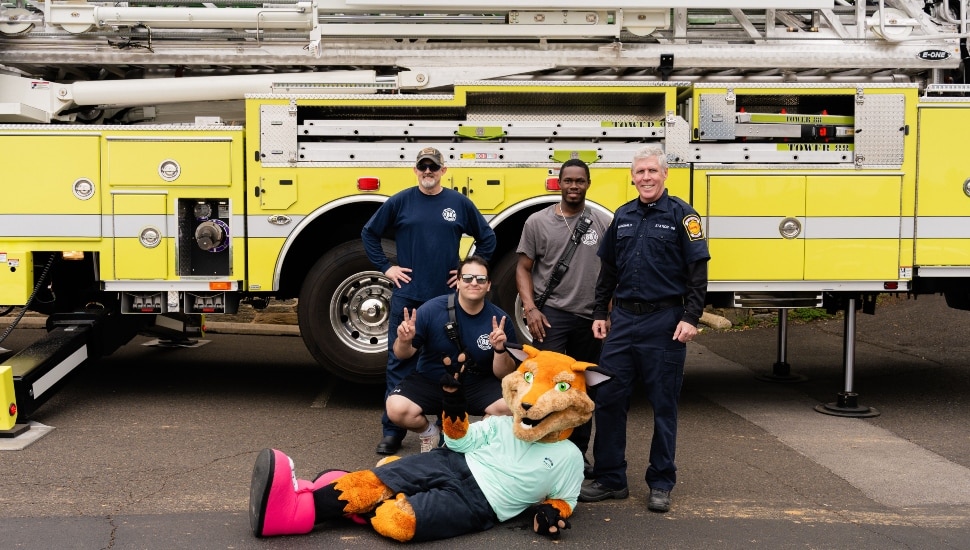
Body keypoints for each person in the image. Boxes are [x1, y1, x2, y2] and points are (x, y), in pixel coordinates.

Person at [579, 145, 710, 514]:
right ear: (633, 177)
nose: (646, 178)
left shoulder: (684, 216)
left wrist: (691, 317)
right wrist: (599, 314)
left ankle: (661, 482)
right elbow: (608, 272)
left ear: (665, 174)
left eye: (653, 171)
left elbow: (698, 274)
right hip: (622, 322)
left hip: (664, 323)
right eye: (640, 173)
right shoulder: (622, 216)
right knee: (608, 399)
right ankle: (610, 478)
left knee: (663, 405)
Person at [362, 147, 496, 455]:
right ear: (415, 170)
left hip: (447, 301)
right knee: (400, 360)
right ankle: (392, 431)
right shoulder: (400, 201)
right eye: (422, 167)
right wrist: (386, 267)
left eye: (433, 167)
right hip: (408, 296)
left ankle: (445, 426)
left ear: (443, 171)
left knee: (444, 361)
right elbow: (369, 233)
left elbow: (487, 238)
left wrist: (466, 271)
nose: (427, 172)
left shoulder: (459, 204)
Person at [514, 158, 611, 472]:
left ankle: (578, 455)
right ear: (559, 183)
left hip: (590, 318)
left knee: (581, 391)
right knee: (547, 388)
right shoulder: (537, 223)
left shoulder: (601, 223)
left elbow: (612, 271)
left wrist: (608, 311)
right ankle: (545, 449)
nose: (573, 186)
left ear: (588, 183)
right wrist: (530, 309)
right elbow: (523, 269)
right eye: (568, 180)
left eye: (579, 181)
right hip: (553, 315)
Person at [388, 256, 517, 452]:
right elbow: (402, 354)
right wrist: (404, 340)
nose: (474, 282)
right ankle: (430, 433)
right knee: (396, 408)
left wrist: (499, 349)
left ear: (489, 285)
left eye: (481, 279)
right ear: (457, 282)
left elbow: (504, 374)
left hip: (476, 384)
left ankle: (472, 439)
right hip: (432, 381)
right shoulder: (431, 310)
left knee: (513, 406)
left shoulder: (500, 319)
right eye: (467, 278)